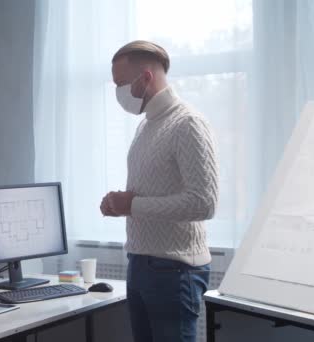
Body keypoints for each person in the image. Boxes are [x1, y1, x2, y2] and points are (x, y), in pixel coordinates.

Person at [100, 40, 219, 342]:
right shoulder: (146, 126)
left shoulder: (188, 123)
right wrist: (119, 204)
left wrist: (133, 205)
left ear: (147, 77)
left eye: (121, 84)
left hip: (174, 270)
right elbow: (149, 193)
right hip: (140, 263)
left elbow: (204, 203)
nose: (118, 93)